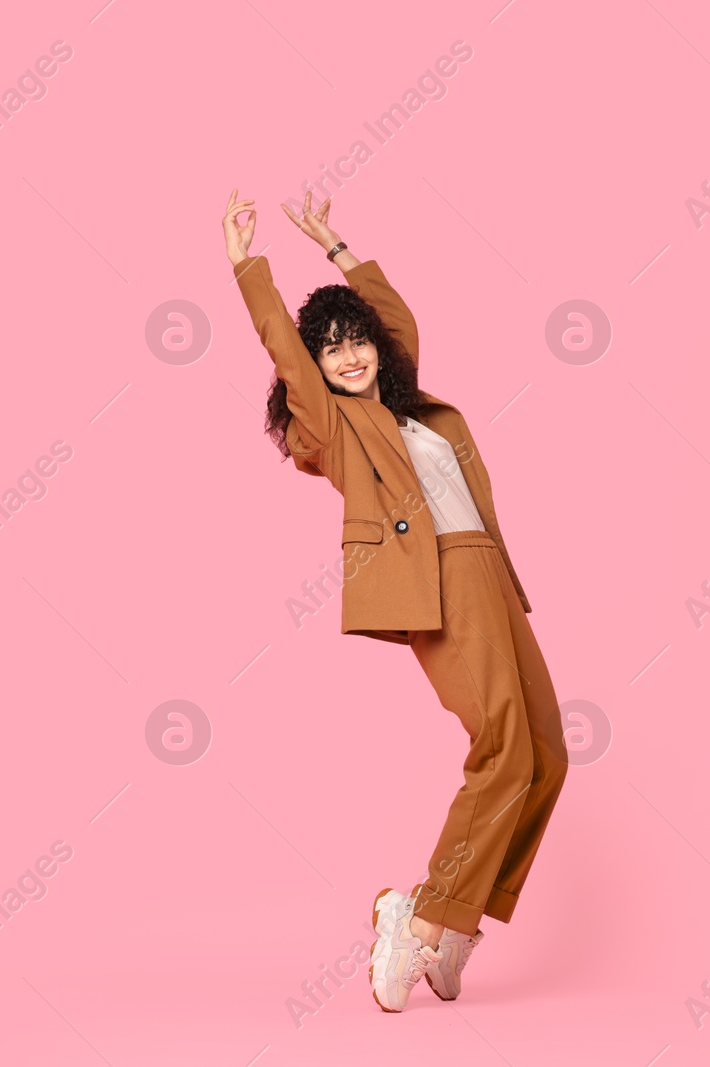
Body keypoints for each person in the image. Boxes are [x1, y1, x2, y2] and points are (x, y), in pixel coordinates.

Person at [223, 189, 568, 1012]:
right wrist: (247, 265)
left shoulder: (410, 408)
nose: (349, 356)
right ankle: (416, 921)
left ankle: (453, 929)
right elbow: (293, 357)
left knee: (548, 753)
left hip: (490, 570)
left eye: (356, 342)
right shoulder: (337, 427)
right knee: (503, 750)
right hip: (439, 581)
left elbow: (399, 320)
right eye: (332, 348)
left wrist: (335, 245)